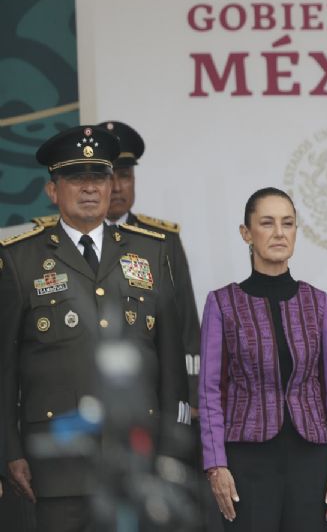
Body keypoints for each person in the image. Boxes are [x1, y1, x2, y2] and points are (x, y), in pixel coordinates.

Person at [0, 125, 190, 531]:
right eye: (76, 178)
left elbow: (172, 366)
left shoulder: (152, 252)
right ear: (53, 191)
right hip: (56, 466)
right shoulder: (20, 259)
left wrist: (173, 451)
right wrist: (9, 451)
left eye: (99, 177)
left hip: (139, 463)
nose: (90, 188)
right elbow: (4, 368)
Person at [198, 187, 327, 531]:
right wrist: (216, 465)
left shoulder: (319, 303)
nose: (279, 232)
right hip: (245, 462)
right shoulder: (222, 304)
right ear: (246, 233)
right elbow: (210, 392)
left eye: (288, 223)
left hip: (311, 458)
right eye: (267, 223)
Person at [99, 120, 202, 412]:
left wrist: (191, 394)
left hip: (152, 392)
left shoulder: (162, 239)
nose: (118, 187)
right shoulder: (75, 240)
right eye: (108, 177)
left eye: (126, 175)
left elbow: (185, 320)